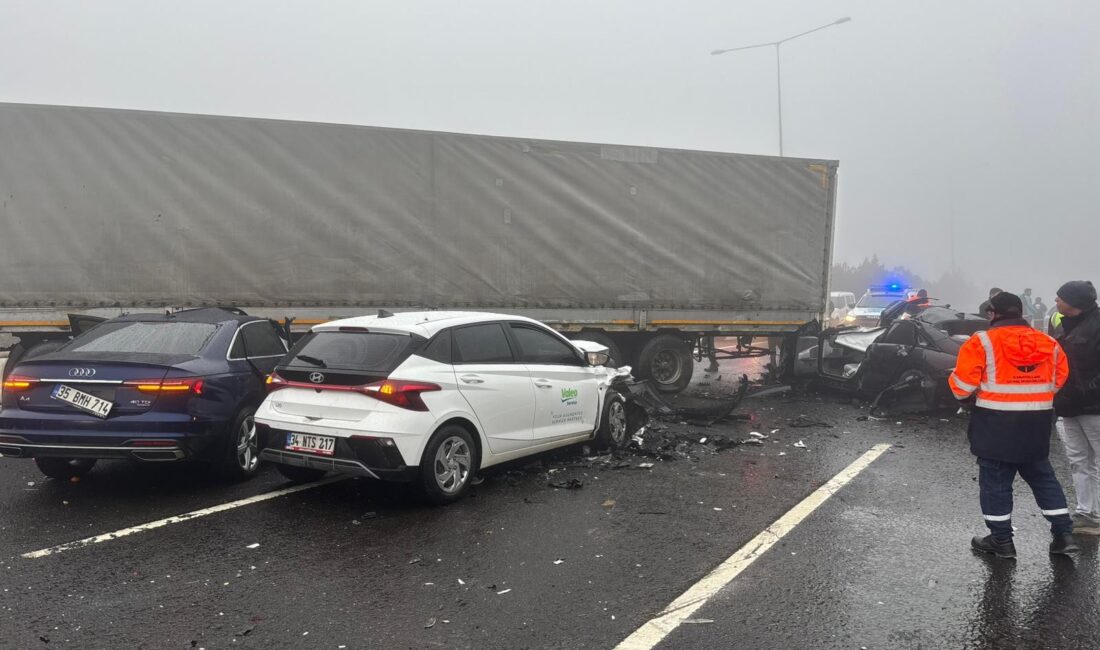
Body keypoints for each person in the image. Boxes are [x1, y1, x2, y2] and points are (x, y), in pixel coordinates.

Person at [949, 291, 1077, 558]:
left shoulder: (982, 342)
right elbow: (1059, 378)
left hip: (994, 423)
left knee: (995, 483)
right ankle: (1063, 535)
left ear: (993, 314)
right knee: (1043, 478)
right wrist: (1035, 396)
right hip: (1036, 423)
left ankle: (1001, 541)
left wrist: (972, 396)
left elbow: (962, 387)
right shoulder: (1048, 342)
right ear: (1020, 313)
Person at [1052, 280, 1100, 535]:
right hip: (1068, 406)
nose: (1056, 301)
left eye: (1060, 297)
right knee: (1078, 461)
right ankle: (1085, 513)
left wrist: (1083, 392)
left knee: (1095, 460)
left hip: (1093, 407)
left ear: (1075, 302)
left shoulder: (1097, 325)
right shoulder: (1062, 325)